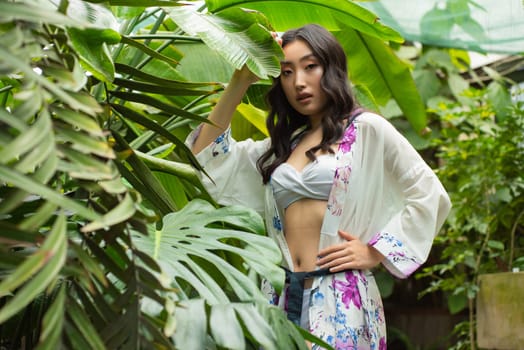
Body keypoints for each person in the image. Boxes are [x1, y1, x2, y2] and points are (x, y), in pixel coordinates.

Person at [186, 23, 451, 349]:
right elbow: (206, 158)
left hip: (342, 299)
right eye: (286, 72)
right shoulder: (280, 148)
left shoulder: (366, 129)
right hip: (280, 301)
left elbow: (428, 193)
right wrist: (241, 79)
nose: (299, 82)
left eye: (310, 66)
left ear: (332, 68)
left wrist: (374, 251)